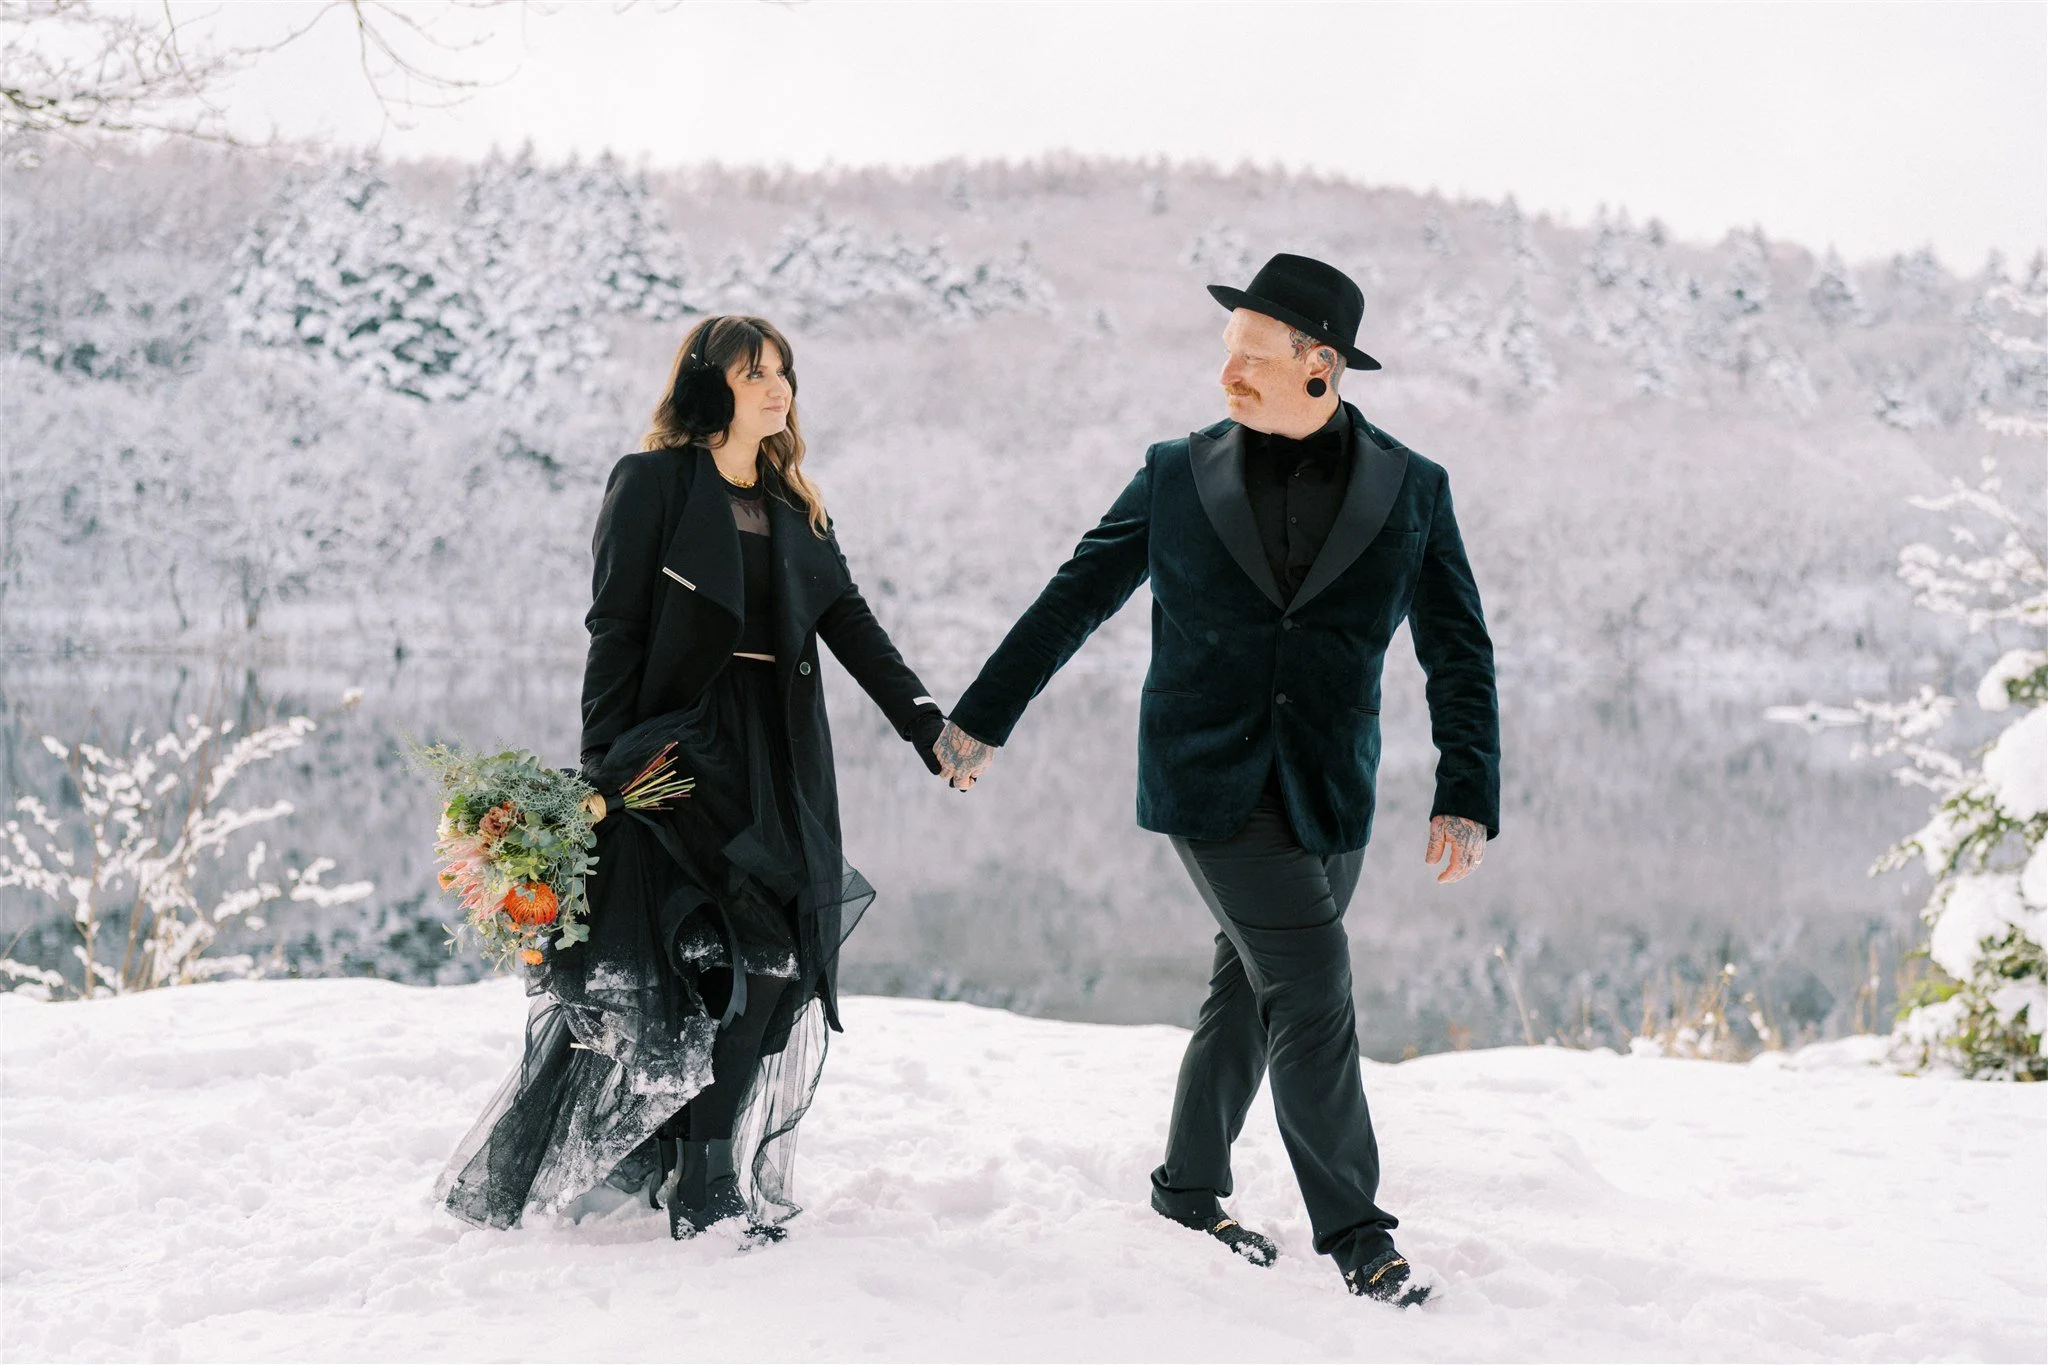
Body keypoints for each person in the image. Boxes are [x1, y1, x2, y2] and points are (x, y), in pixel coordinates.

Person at [934, 254, 1500, 1307]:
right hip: (1208, 781)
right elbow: (1075, 596)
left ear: (1318, 364)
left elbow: (1457, 648)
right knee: (1312, 985)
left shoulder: (1411, 488)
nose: (1225, 376)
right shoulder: (1173, 473)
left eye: (1250, 359)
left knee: (1244, 990)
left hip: (1332, 790)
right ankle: (1357, 1238)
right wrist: (981, 717)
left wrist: (1465, 789)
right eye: (1223, 355)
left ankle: (1186, 1190)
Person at [437, 314, 948, 1241]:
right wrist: (604, 775)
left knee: (783, 971)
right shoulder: (653, 483)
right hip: (680, 753)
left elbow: (854, 626)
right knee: (725, 964)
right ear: (709, 385)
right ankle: (706, 1179)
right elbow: (616, 628)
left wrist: (926, 726)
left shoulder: (797, 505)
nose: (777, 386)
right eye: (755, 371)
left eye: (784, 369)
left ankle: (694, 1157)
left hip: (780, 755)